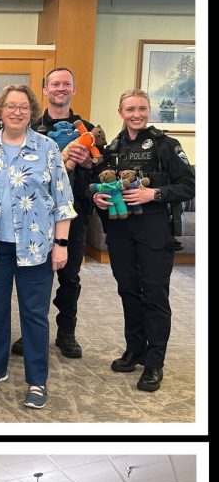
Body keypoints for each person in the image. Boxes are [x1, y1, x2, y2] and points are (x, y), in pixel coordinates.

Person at [0, 84, 76, 410]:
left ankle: (36, 379)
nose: (16, 112)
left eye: (23, 107)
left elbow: (63, 201)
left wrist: (61, 244)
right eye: (10, 106)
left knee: (34, 314)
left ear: (31, 112)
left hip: (35, 247)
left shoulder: (47, 148)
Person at [92, 88, 195, 393]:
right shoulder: (112, 148)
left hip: (154, 230)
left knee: (154, 295)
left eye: (142, 108)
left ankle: (154, 363)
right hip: (121, 230)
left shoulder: (167, 145)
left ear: (149, 110)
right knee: (128, 291)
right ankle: (134, 350)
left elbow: (190, 185)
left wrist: (154, 193)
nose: (136, 114)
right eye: (130, 109)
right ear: (120, 112)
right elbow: (99, 181)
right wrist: (96, 195)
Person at [11, 67, 98, 360]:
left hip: (74, 216)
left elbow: (105, 171)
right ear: (45, 90)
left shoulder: (89, 129)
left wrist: (88, 163)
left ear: (73, 90)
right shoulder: (31, 127)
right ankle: (31, 331)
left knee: (69, 276)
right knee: (34, 277)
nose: (60, 89)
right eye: (54, 84)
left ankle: (66, 332)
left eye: (66, 85)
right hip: (34, 218)